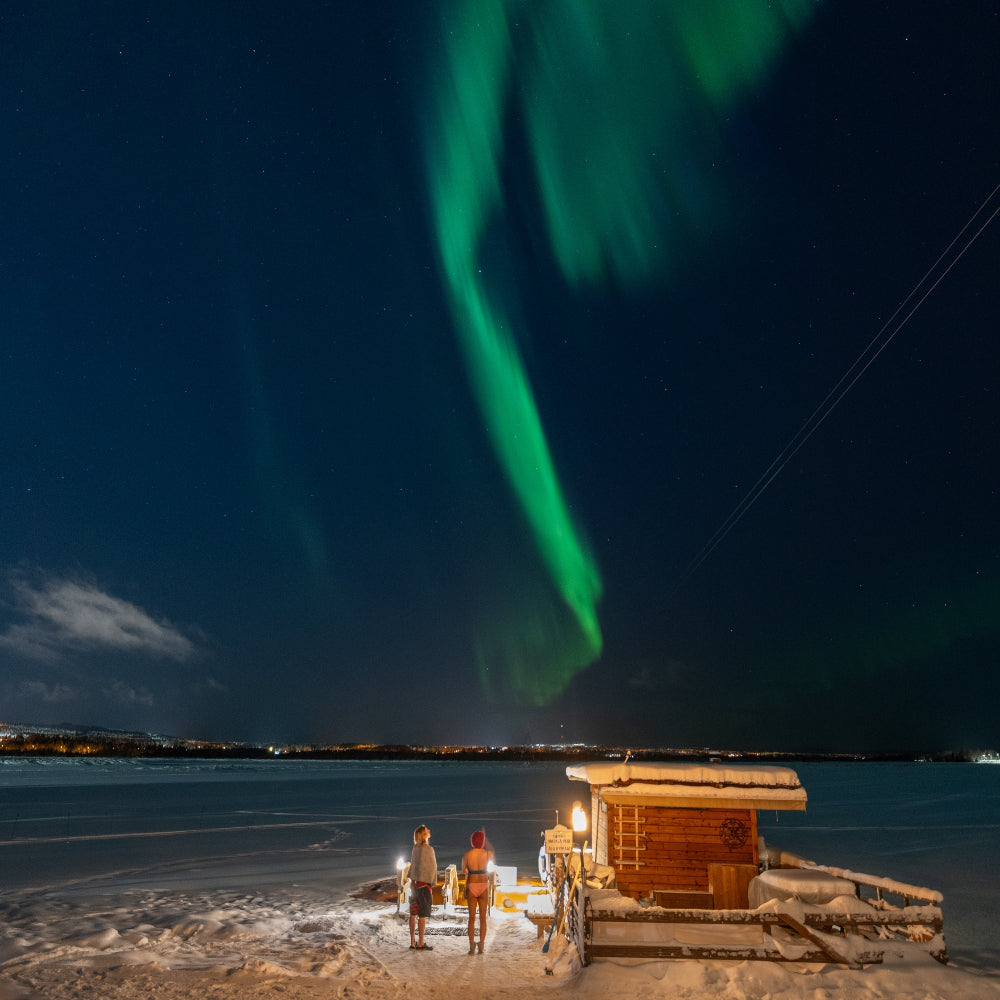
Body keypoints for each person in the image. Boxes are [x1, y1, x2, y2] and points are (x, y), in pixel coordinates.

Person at [462, 829, 493, 954]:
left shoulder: (467, 854)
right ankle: (481, 945)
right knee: (483, 918)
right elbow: (490, 869)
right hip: (483, 885)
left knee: (471, 918)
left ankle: (471, 946)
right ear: (483, 841)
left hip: (472, 884)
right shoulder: (488, 854)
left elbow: (465, 871)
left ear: (472, 841)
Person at [408, 824, 437, 950]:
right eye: (427, 830)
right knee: (422, 915)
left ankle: (412, 942)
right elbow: (432, 868)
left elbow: (414, 866)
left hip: (414, 885)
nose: (429, 830)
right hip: (424, 886)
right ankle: (420, 942)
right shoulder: (429, 849)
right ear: (424, 835)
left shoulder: (415, 848)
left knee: (413, 913)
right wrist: (432, 882)